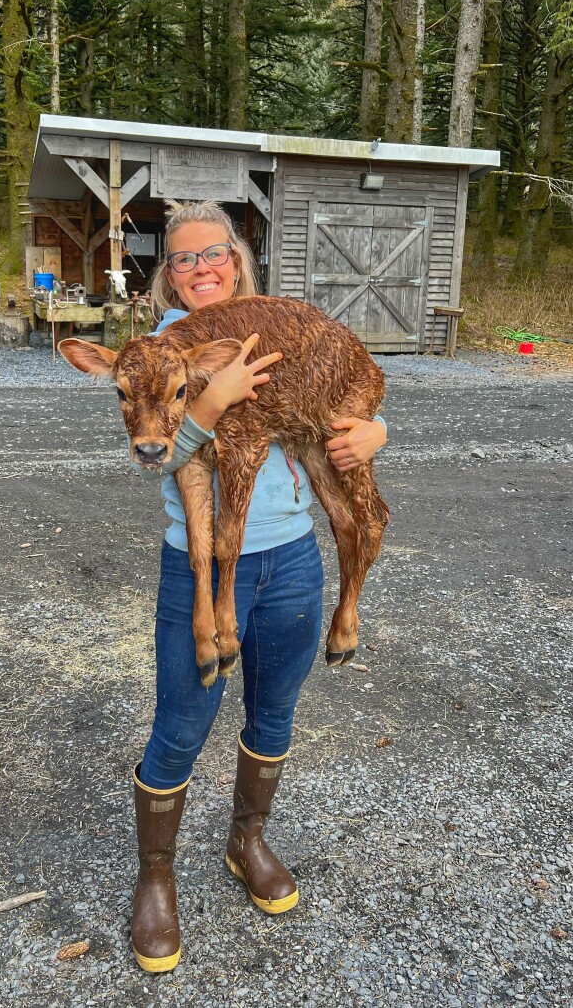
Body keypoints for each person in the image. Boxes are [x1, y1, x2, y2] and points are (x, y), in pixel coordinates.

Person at [129, 200, 388, 973]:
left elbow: (341, 398)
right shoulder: (159, 351)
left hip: (295, 561)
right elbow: (155, 451)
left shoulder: (271, 332)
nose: (201, 267)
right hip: (199, 569)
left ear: (237, 261)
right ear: (167, 274)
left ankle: (247, 838)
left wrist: (378, 429)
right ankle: (155, 876)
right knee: (181, 722)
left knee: (273, 709)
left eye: (214, 253)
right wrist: (210, 399)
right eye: (183, 258)